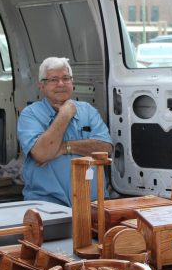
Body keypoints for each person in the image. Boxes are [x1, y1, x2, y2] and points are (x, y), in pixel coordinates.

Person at [17, 57, 112, 206]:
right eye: (54, 79)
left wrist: (64, 147)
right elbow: (41, 154)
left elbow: (105, 149)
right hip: (47, 205)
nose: (61, 84)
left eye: (66, 78)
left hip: (92, 204)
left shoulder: (88, 110)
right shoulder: (30, 114)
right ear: (41, 85)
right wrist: (65, 114)